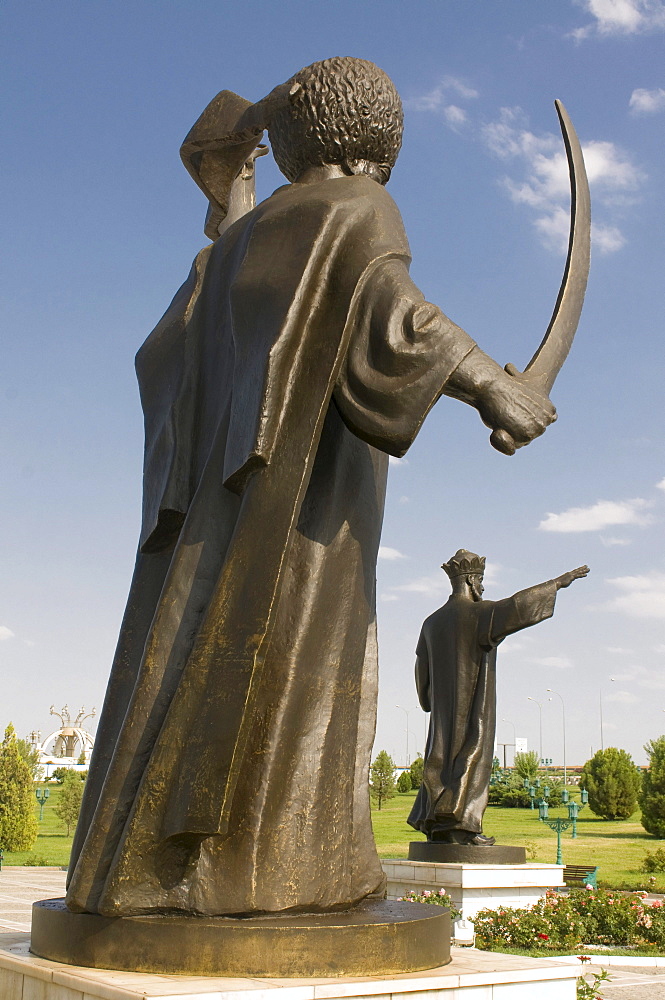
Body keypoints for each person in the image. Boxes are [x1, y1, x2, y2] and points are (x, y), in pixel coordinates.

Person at [66, 57, 556, 918]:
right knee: (301, 662)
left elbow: (173, 355)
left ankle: (158, 869)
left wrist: (241, 176)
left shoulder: (229, 248)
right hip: (307, 501)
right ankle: (285, 873)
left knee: (203, 658)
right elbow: (391, 306)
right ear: (374, 142)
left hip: (221, 512)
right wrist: (491, 384)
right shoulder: (354, 206)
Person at [408, 550, 589, 845]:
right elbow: (517, 606)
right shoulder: (480, 613)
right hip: (474, 704)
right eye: (480, 580)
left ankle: (438, 825)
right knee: (473, 751)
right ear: (470, 580)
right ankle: (463, 825)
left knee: (439, 757)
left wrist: (427, 700)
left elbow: (420, 666)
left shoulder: (431, 622)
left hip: (442, 711)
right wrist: (557, 583)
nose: (482, 587)